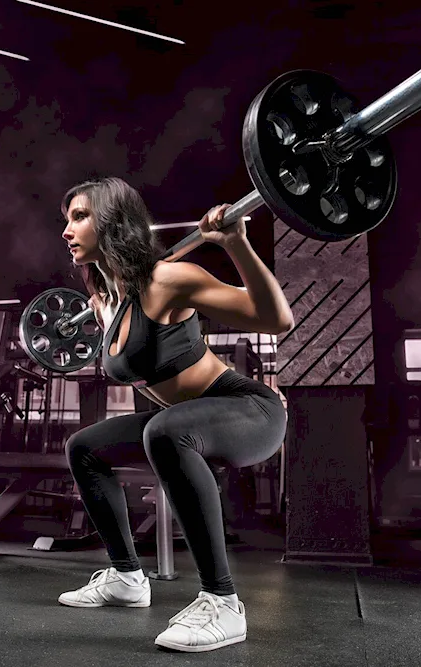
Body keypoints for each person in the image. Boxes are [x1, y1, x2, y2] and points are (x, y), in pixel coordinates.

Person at [56, 176, 292, 653]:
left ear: (113, 222)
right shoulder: (108, 304)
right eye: (67, 220)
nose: (67, 230)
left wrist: (236, 245)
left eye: (79, 217)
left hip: (247, 409)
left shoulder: (167, 280)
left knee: (165, 431)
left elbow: (276, 319)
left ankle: (223, 603)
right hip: (183, 419)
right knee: (83, 448)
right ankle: (126, 576)